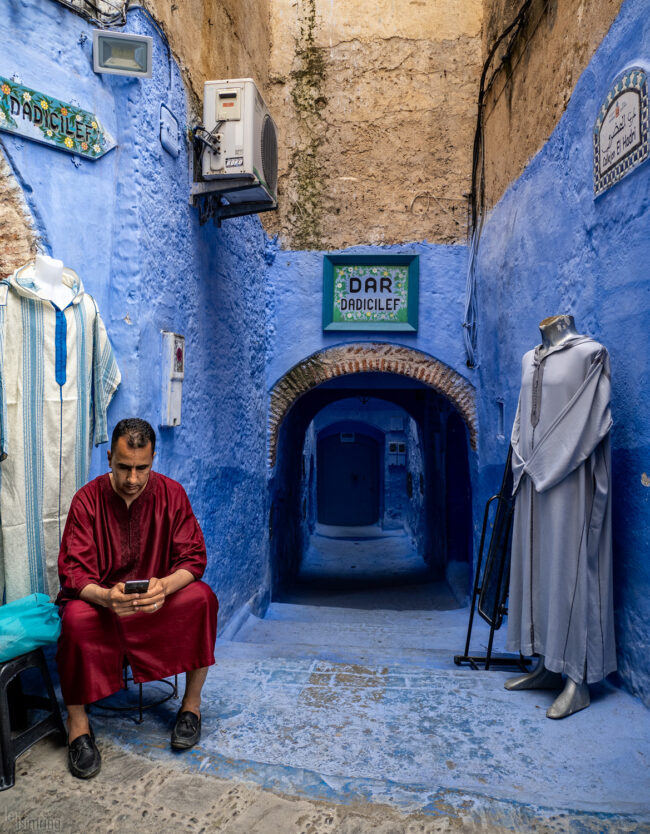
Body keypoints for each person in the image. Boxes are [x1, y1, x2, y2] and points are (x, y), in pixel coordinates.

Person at [56, 418, 218, 779]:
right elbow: (72, 572)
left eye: (142, 468)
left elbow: (193, 558)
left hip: (156, 606)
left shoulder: (172, 495)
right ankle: (78, 725)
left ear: (153, 459)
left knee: (202, 599)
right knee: (75, 620)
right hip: (104, 608)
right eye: (123, 467)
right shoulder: (86, 500)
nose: (132, 479)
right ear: (110, 458)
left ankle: (191, 707)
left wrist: (165, 586)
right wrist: (105, 597)